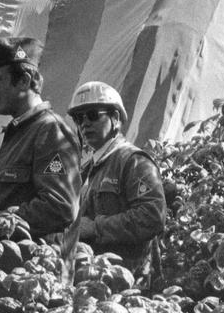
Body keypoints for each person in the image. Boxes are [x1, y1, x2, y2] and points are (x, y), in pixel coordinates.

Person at [0, 37, 81, 241]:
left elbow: (60, 207)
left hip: (34, 260)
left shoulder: (50, 131)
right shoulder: (22, 131)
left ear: (24, 81)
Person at [67, 81, 165, 274]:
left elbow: (152, 217)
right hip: (94, 276)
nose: (85, 123)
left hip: (129, 278)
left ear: (116, 118)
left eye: (93, 115)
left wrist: (96, 227)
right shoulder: (88, 168)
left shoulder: (135, 162)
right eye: (78, 118)